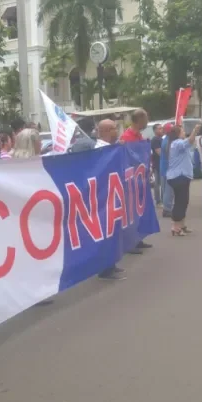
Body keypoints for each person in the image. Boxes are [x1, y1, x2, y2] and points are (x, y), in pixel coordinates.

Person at [93, 119, 126, 281]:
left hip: (112, 194)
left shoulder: (111, 147)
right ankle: (104, 269)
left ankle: (111, 264)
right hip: (104, 197)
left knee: (113, 231)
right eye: (113, 128)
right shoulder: (99, 149)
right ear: (105, 131)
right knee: (106, 232)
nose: (116, 131)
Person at [118, 109, 153, 254]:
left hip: (139, 180)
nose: (146, 123)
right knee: (130, 213)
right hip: (130, 181)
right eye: (145, 120)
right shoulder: (127, 137)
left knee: (138, 211)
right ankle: (129, 242)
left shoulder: (139, 136)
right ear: (138, 120)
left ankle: (137, 239)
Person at [166, 123, 200, 236]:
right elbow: (188, 142)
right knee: (180, 202)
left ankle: (182, 224)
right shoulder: (177, 143)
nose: (184, 133)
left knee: (183, 201)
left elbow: (189, 144)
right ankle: (175, 226)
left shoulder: (175, 144)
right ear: (177, 134)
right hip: (179, 176)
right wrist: (194, 131)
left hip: (180, 176)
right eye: (182, 131)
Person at [159, 122, 175, 217]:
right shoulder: (168, 141)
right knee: (168, 190)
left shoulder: (166, 139)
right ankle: (167, 209)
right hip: (168, 169)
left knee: (166, 189)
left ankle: (167, 207)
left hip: (165, 168)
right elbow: (170, 155)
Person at [149, 124, 164, 207]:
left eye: (162, 128)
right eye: (159, 129)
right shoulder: (155, 140)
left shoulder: (161, 139)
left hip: (161, 164)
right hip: (157, 164)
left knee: (162, 184)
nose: (161, 130)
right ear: (155, 131)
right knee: (157, 184)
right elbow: (159, 152)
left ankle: (162, 200)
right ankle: (158, 201)